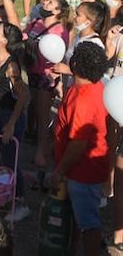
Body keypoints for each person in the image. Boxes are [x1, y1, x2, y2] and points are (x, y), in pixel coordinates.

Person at [52, 41, 110, 256]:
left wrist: (59, 171)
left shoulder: (83, 99)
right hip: (85, 168)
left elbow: (78, 143)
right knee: (78, 218)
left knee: (88, 223)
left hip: (82, 172)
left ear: (75, 63)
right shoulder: (96, 87)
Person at [0, 22, 30, 222]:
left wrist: (11, 124)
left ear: (3, 41)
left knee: (11, 161)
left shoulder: (11, 65)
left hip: (10, 115)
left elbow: (22, 97)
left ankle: (21, 202)